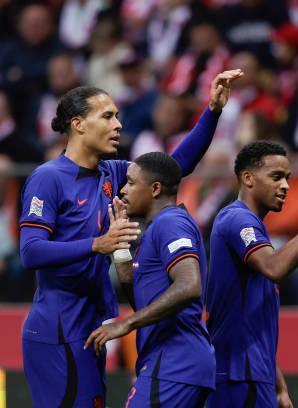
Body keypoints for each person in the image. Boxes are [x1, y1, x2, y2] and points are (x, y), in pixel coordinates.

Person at [19, 69, 242, 407]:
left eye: (118, 116)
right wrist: (98, 244)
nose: (118, 124)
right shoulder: (47, 178)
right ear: (78, 124)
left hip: (92, 324)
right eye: (107, 116)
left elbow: (172, 167)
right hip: (57, 328)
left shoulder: (113, 172)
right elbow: (30, 252)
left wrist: (212, 111)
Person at [205, 141, 298, 407]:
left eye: (287, 178)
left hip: (253, 374)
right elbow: (275, 268)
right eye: (276, 177)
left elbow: (254, 323)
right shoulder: (237, 219)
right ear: (247, 178)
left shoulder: (253, 228)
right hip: (239, 375)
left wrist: (277, 384)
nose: (285, 185)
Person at [84, 152, 215, 407]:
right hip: (173, 362)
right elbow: (144, 301)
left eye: (131, 183)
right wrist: (121, 248)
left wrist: (127, 324)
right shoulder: (154, 229)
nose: (122, 190)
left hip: (175, 363)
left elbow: (189, 286)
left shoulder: (171, 222)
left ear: (155, 188)